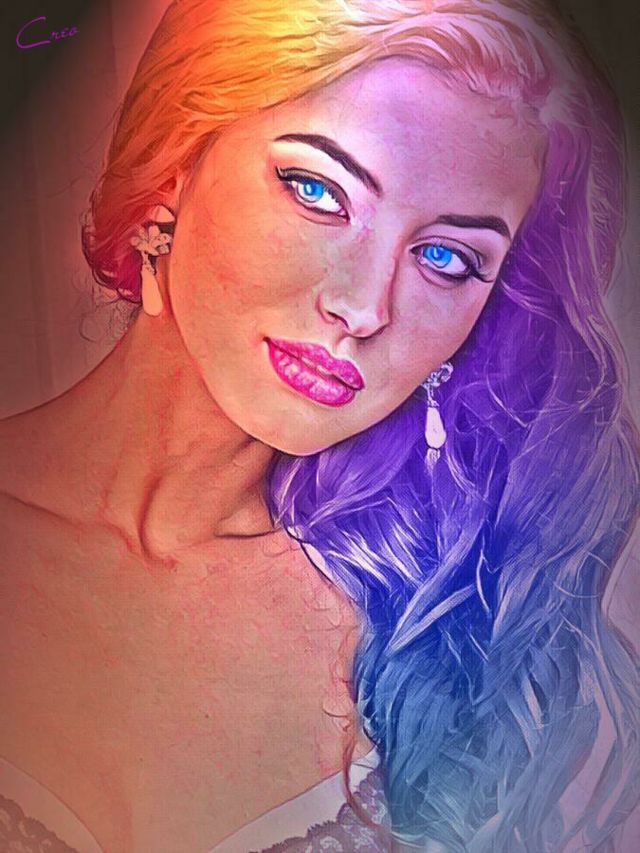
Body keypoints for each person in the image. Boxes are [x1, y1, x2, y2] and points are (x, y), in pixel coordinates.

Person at [0, 0, 638, 850]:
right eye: (319, 192)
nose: (365, 308)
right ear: (171, 173)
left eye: (446, 256)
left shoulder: (439, 636)